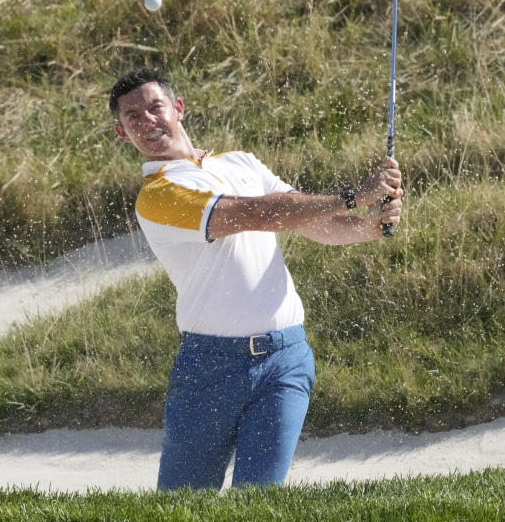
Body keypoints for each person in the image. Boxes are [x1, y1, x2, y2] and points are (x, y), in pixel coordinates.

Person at [108, 67, 403, 490]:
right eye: (133, 117)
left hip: (286, 357)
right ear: (123, 133)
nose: (148, 121)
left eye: (155, 107)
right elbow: (255, 215)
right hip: (209, 367)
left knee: (260, 501)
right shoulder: (157, 195)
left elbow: (307, 220)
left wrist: (366, 226)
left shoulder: (240, 162)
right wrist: (353, 196)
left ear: (178, 108)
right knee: (182, 505)